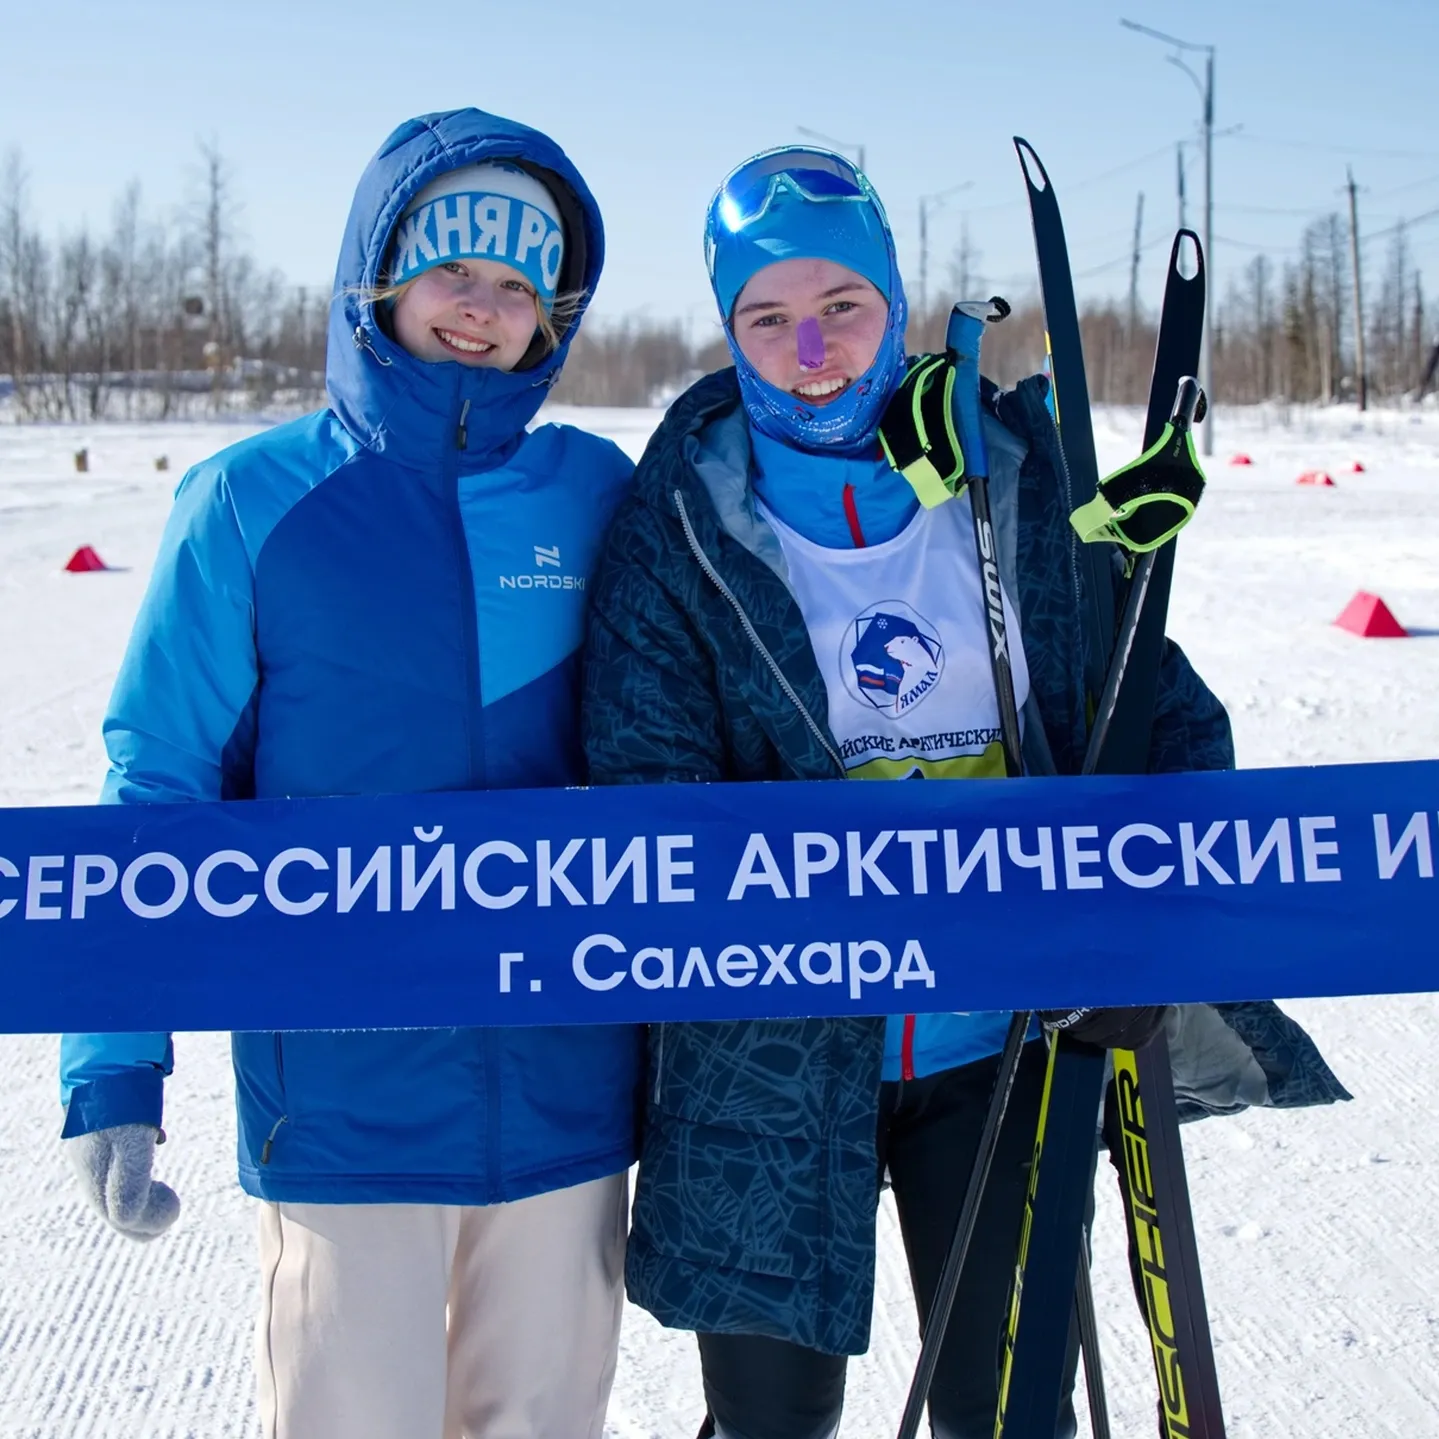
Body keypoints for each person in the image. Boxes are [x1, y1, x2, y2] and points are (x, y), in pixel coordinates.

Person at [581, 147, 1347, 1439]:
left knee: (1006, 1408)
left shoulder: (1019, 479)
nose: (808, 345)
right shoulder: (676, 522)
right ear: (727, 328)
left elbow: (1156, 717)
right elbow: (649, 795)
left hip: (1003, 1041)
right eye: (764, 316)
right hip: (765, 1060)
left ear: (892, 299)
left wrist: (1137, 924)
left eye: (842, 305)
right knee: (768, 1417)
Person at [59, 109, 640, 1439]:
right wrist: (113, 1068)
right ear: (377, 274)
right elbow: (158, 786)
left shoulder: (597, 494)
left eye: (517, 286)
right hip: (341, 1099)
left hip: (565, 1088)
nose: (483, 311)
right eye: (453, 272)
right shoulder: (252, 502)